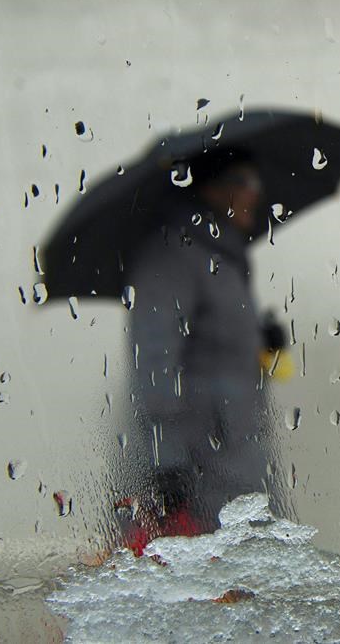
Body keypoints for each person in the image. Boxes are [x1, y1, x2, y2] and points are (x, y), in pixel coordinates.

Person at [117, 147, 275, 554]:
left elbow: (214, 351)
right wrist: (166, 464)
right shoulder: (171, 253)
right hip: (195, 473)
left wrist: (262, 341)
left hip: (232, 462)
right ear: (213, 187)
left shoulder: (220, 255)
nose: (256, 195)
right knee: (197, 597)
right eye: (247, 182)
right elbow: (153, 362)